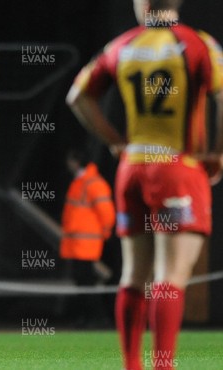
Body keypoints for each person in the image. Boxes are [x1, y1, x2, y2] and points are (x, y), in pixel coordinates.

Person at [66, 1, 223, 369]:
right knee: (171, 276)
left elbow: (77, 97)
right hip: (177, 166)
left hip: (133, 167)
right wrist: (218, 151)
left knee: (133, 274)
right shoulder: (198, 44)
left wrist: (116, 142)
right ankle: (163, 365)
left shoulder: (122, 45)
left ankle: (132, 365)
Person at [60, 149, 115, 327]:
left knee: (86, 281)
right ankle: (89, 317)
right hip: (79, 242)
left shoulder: (91, 183)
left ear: (76, 161)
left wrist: (105, 231)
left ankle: (97, 317)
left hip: (86, 242)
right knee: (82, 280)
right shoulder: (81, 182)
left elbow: (107, 212)